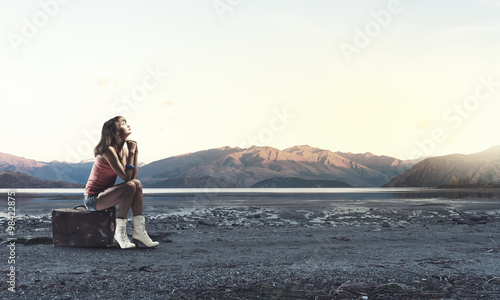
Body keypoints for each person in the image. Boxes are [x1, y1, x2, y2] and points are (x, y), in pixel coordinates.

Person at [83, 116, 159, 249]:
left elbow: (133, 176)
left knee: (137, 183)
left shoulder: (122, 150)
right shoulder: (108, 150)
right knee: (130, 185)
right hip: (93, 199)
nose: (128, 125)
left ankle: (139, 231)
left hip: (108, 196)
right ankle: (120, 233)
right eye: (123, 123)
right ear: (116, 131)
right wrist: (131, 151)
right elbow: (126, 178)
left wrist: (134, 152)